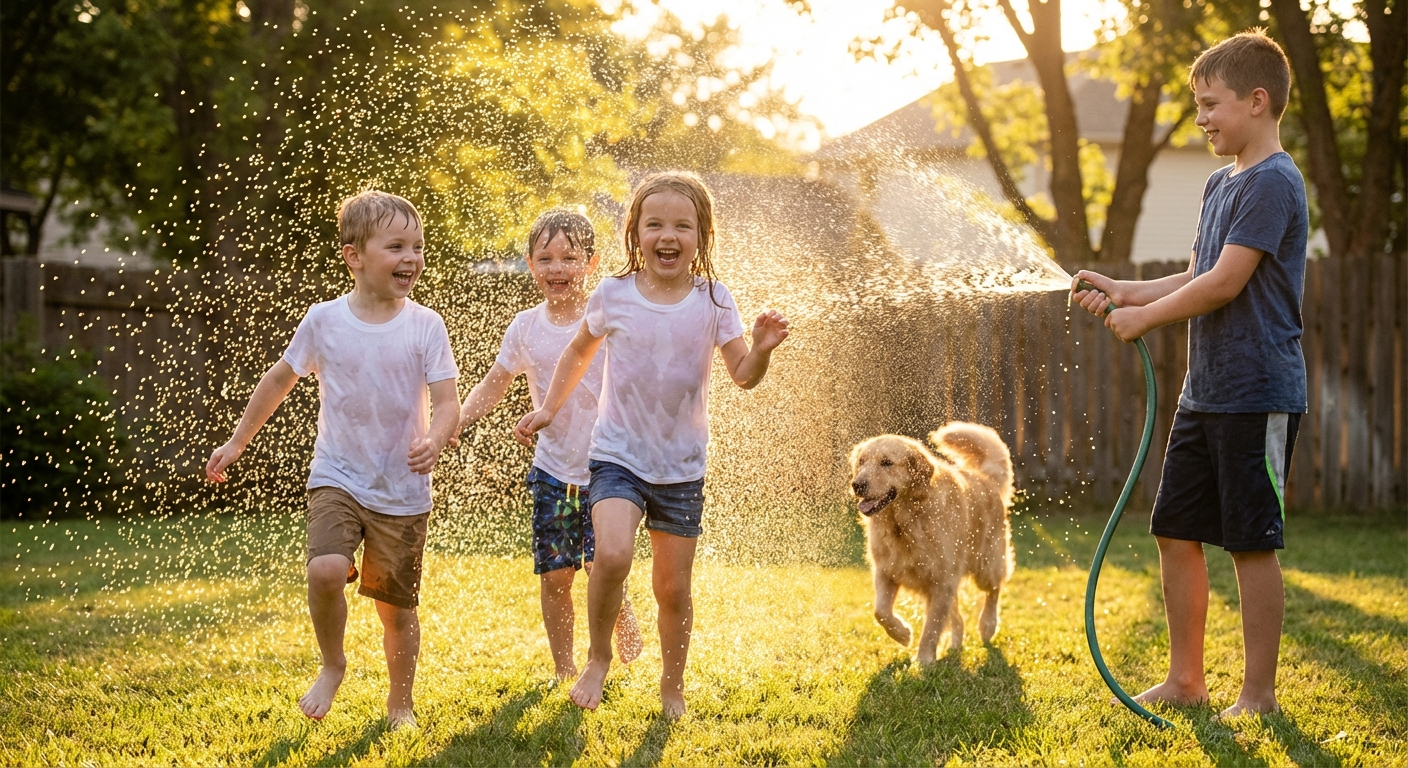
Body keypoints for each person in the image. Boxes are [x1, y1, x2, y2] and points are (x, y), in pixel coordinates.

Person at [1073, 30, 1308, 720]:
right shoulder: (1219, 181)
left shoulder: (1273, 181)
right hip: (1203, 394)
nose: (1201, 118)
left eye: (1211, 105)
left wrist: (1145, 321)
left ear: (1257, 101)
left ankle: (1258, 695)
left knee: (1250, 543)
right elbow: (1199, 273)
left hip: (1257, 392)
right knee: (1176, 529)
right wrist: (1127, 289)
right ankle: (1186, 680)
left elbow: (1226, 285)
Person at [515, 172, 790, 718]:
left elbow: (742, 374)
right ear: (635, 233)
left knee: (672, 588)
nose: (668, 235)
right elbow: (577, 353)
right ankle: (597, 660)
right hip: (616, 456)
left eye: (682, 225)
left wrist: (760, 350)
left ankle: (672, 686)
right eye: (655, 224)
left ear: (702, 235)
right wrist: (548, 407)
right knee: (612, 554)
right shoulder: (614, 294)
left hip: (682, 467)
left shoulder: (714, 299)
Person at [205, 190, 460, 730]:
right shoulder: (324, 321)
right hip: (336, 476)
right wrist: (238, 440)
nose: (411, 258)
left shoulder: (425, 326)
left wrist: (436, 438)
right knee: (324, 569)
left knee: (396, 610)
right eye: (396, 246)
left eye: (418, 246)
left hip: (401, 489)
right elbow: (280, 379)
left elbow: (447, 403)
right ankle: (332, 663)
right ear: (355, 256)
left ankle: (399, 704)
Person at [456, 209, 642, 683]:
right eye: (546, 258)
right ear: (531, 264)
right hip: (554, 471)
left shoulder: (608, 318)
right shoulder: (524, 327)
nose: (558, 268)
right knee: (557, 576)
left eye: (569, 258)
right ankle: (564, 670)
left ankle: (619, 609)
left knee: (604, 566)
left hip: (609, 470)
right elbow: (495, 383)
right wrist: (456, 420)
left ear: (592, 262)